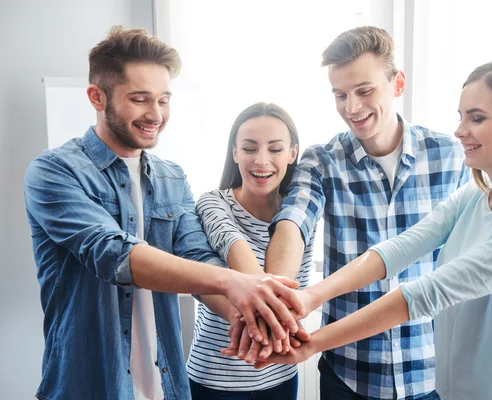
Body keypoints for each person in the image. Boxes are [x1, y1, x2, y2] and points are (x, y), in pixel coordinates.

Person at [263, 59, 492, 400]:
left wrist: (311, 343)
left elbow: (426, 293)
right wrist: (309, 297)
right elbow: (398, 249)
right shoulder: (476, 197)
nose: (460, 130)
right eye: (461, 117)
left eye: (477, 118)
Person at [23, 27, 303, 400]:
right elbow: (114, 255)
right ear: (97, 96)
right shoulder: (54, 171)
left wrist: (253, 319)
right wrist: (235, 284)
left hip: (167, 386)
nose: (156, 114)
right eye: (140, 99)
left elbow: (197, 255)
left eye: (164, 100)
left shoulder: (172, 176)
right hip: (88, 385)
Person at [230, 26, 469, 399]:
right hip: (349, 373)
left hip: (430, 369)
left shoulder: (448, 154)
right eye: (340, 95)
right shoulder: (321, 160)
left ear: (398, 84)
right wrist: (275, 302)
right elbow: (293, 223)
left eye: (364, 91)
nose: (351, 107)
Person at [186, 102, 315, 399]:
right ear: (235, 153)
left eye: (275, 149)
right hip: (214, 377)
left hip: (280, 373)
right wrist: (271, 315)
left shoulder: (300, 214)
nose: (261, 160)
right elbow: (232, 243)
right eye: (249, 148)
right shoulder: (213, 203)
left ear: (292, 153)